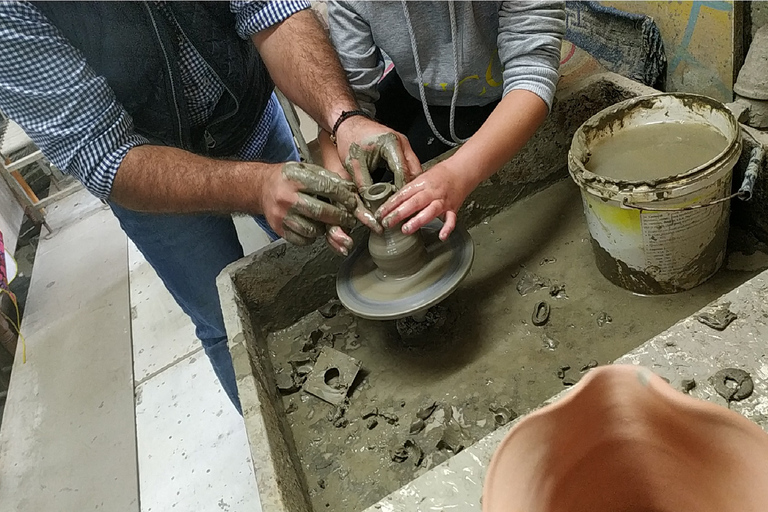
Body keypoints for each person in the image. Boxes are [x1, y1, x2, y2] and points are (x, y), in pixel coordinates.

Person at [0, 1, 421, 412]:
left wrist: (343, 119)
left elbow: (269, 11)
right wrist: (256, 187)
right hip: (147, 167)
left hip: (244, 111)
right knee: (230, 324)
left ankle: (370, 384)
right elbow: (101, 149)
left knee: (328, 256)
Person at [319, 1, 566, 241]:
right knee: (376, 182)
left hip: (499, 92)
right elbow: (345, 102)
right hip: (419, 89)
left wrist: (457, 174)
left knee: (426, 195)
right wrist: (337, 178)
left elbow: (533, 74)